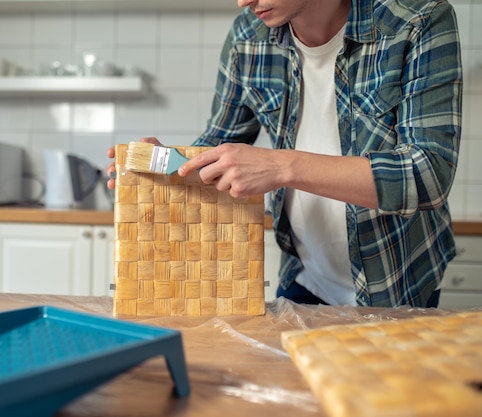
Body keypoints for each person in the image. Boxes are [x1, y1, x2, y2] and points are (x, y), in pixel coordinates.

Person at [106, 0, 463, 308]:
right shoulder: (248, 37)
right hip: (302, 278)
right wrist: (169, 164)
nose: (243, 1)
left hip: (398, 281)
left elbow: (426, 175)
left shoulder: (418, 19)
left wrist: (280, 166)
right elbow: (218, 144)